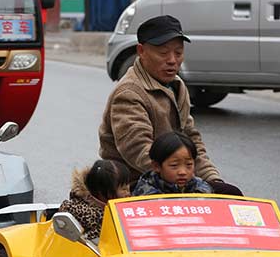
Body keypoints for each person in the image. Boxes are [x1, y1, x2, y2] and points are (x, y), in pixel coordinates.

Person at [99, 15, 242, 196]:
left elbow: (191, 139)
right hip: (134, 184)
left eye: (178, 52)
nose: (172, 60)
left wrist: (211, 179)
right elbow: (138, 150)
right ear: (141, 51)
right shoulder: (129, 93)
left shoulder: (177, 85)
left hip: (175, 178)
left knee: (229, 194)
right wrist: (180, 177)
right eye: (163, 53)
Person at [59, 160, 131, 241]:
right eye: (123, 189)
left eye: (128, 187)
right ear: (102, 192)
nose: (128, 192)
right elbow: (91, 242)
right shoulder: (93, 217)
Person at [133, 132, 213, 196]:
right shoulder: (145, 194)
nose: (182, 172)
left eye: (189, 164)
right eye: (174, 165)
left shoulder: (200, 186)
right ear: (156, 166)